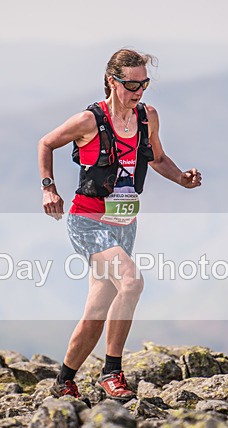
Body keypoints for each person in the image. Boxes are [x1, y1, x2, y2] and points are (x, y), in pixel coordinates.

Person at [39, 49, 202, 402]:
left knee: (97, 309)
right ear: (113, 81)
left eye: (145, 83)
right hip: (87, 221)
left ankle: (64, 380)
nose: (139, 90)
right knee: (131, 281)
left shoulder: (148, 117)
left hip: (124, 223)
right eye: (132, 84)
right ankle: (112, 373)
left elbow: (157, 158)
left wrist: (182, 179)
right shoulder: (88, 120)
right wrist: (48, 188)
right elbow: (46, 143)